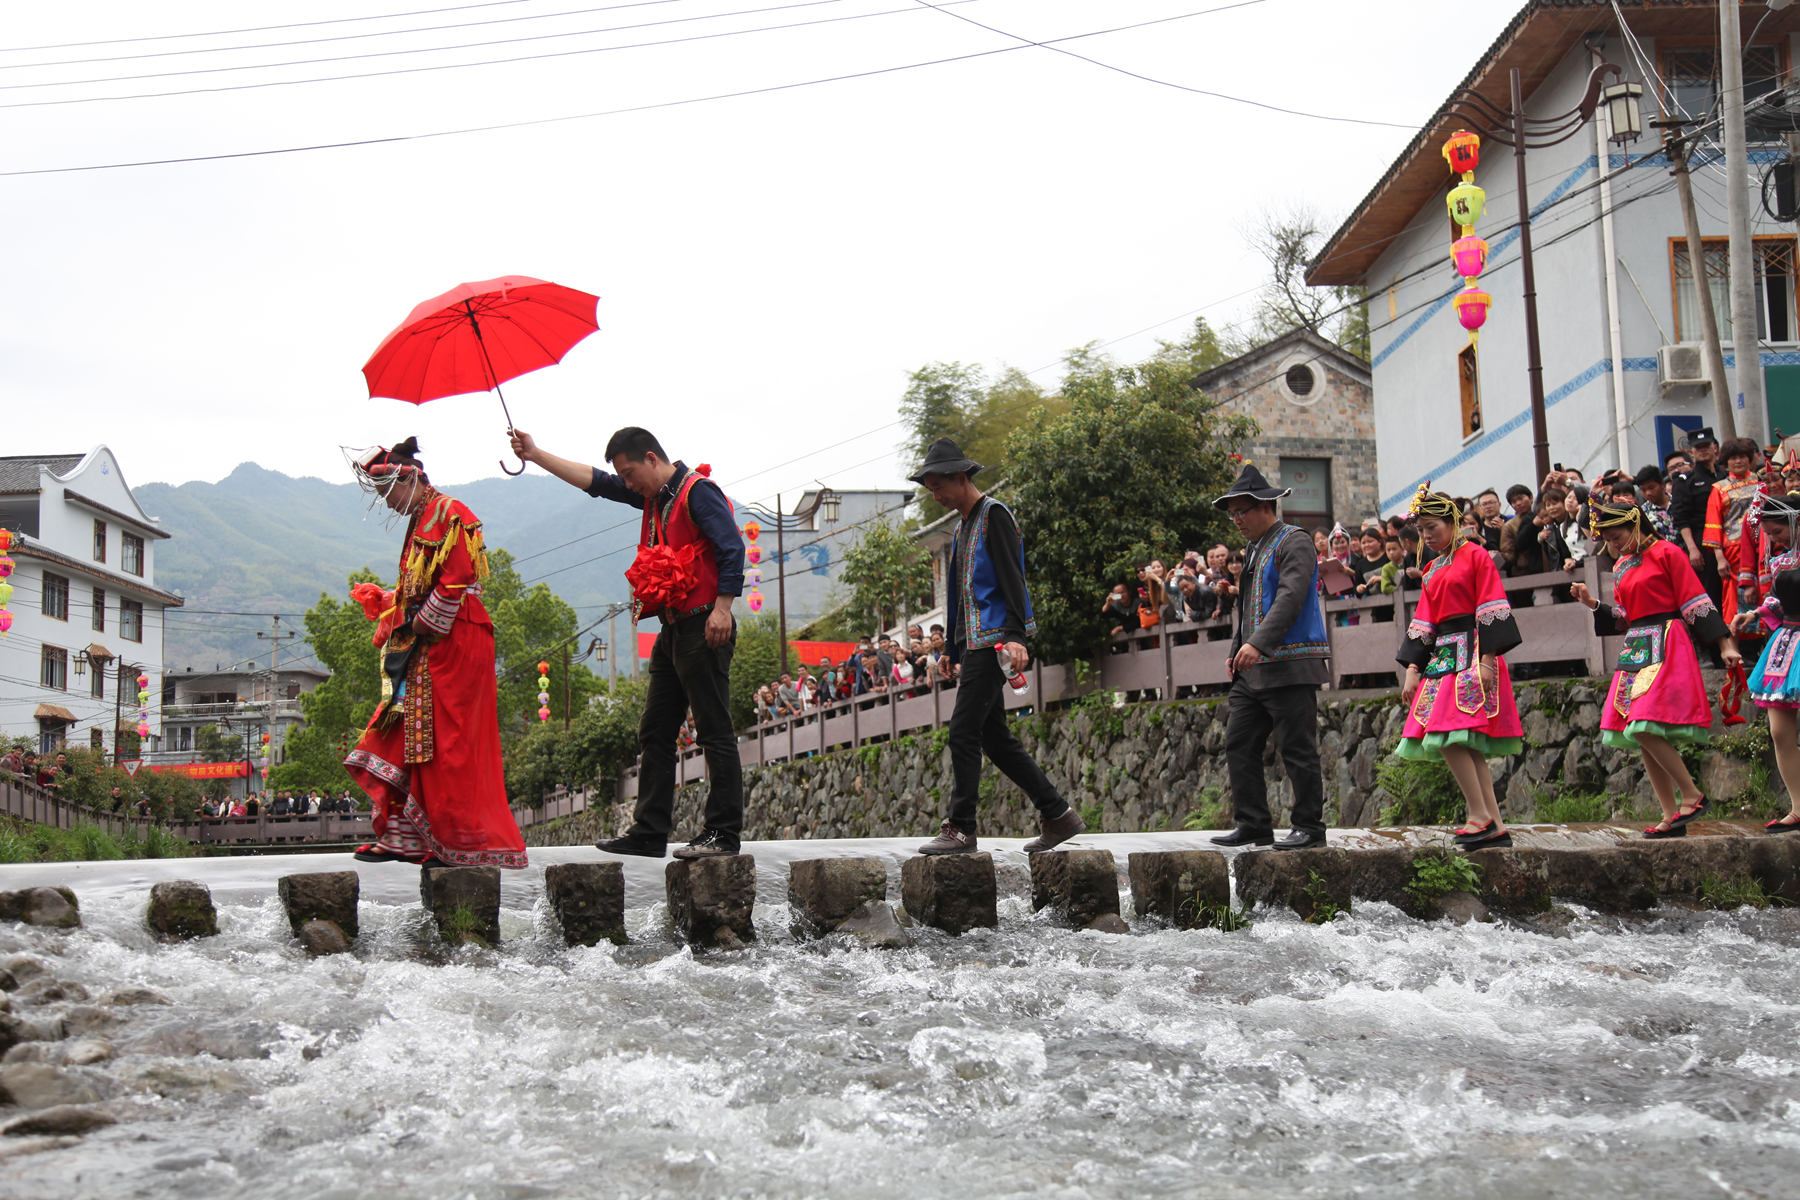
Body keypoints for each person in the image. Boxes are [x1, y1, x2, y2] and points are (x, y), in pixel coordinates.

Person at [512, 426, 745, 859]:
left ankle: (723, 833)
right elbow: (597, 483)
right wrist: (536, 454)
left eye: (630, 472)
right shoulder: (655, 496)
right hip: (674, 630)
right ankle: (649, 830)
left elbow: (732, 547)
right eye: (624, 474)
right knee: (655, 730)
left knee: (714, 730)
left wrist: (723, 608)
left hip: (704, 624)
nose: (627, 482)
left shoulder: (698, 492)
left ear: (652, 459)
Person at [342, 438, 528, 869]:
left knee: (448, 743)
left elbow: (459, 576)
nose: (389, 505)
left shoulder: (449, 512)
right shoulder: (423, 517)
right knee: (411, 733)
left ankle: (456, 843)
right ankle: (406, 839)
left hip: (455, 641)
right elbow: (424, 586)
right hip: (431, 641)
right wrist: (390, 600)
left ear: (409, 479)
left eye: (389, 494)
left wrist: (417, 620)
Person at [909, 438, 1084, 856]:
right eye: (930, 488)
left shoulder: (995, 516)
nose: (935, 496)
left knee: (963, 730)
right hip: (973, 644)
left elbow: (1012, 578)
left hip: (993, 642)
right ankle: (1057, 814)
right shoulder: (963, 526)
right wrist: (951, 648)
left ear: (960, 477)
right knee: (996, 739)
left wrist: (1017, 635)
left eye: (938, 486)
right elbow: (959, 594)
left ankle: (962, 827)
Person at [1570, 498, 1741, 839]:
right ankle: (1670, 813)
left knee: (1643, 724)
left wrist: (1725, 644)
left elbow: (1695, 602)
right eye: (1608, 539)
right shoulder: (1621, 566)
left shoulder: (1668, 553)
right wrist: (1592, 603)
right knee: (1639, 731)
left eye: (1617, 537)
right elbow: (1623, 617)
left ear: (1635, 525)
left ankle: (1692, 796)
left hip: (1667, 638)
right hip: (1636, 644)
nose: (1612, 545)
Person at [1393, 487, 1524, 849]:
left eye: (1432, 527)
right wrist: (1412, 670)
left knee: (1449, 734)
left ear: (1452, 523)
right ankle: (1494, 823)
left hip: (1473, 651)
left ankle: (1479, 815)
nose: (1426, 535)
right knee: (1461, 741)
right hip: (1444, 657)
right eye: (1420, 530)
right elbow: (1424, 620)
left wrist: (1487, 661)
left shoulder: (1477, 556)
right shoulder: (1433, 568)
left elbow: (1490, 605)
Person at [1209, 463, 1330, 850]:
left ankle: (1310, 826)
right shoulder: (1255, 549)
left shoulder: (1294, 541)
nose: (1236, 521)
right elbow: (1246, 607)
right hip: (1252, 669)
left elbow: (1290, 597)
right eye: (1232, 515)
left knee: (1297, 747)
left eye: (1241, 512)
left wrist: (1257, 643)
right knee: (1239, 742)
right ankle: (1254, 823)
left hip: (1291, 663)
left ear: (1265, 506)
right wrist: (1236, 649)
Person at [1731, 492, 1800, 832]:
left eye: (1777, 533)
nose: (1774, 540)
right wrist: (1756, 612)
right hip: (1787, 644)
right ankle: (1799, 806)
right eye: (1770, 535)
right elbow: (1778, 599)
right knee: (1778, 731)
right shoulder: (1780, 561)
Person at [1704, 436, 1766, 633]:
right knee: (1733, 600)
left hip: (1762, 545)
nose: (1738, 461)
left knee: (1766, 591)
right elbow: (1714, 524)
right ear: (1726, 461)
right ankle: (1734, 656)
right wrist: (1720, 558)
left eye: (1742, 457)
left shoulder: (1761, 482)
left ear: (1750, 459)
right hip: (1733, 550)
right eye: (1733, 458)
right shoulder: (1719, 488)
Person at [1669, 426, 1723, 611]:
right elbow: (1681, 518)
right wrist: (1693, 549)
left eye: (1706, 445)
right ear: (1691, 451)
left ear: (1715, 447)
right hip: (1703, 543)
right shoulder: (1685, 480)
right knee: (1711, 594)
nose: (1703, 450)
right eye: (1698, 447)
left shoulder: (1726, 475)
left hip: (1730, 539)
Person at [1474, 488, 1506, 553]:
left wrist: (1505, 529)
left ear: (1499, 504)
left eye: (1491, 503)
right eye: (1484, 504)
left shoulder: (1509, 521)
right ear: (1480, 508)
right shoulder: (1477, 528)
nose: (1488, 507)